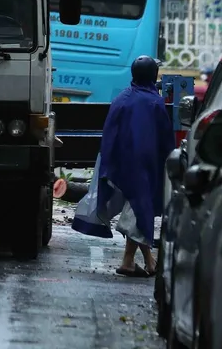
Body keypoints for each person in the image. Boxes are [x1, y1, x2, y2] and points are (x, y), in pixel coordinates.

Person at [73, 55, 175, 277]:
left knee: (136, 209)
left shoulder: (122, 98)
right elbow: (166, 140)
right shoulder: (154, 102)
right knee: (139, 209)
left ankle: (141, 261)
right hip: (143, 166)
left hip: (118, 165)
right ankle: (136, 262)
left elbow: (110, 134)